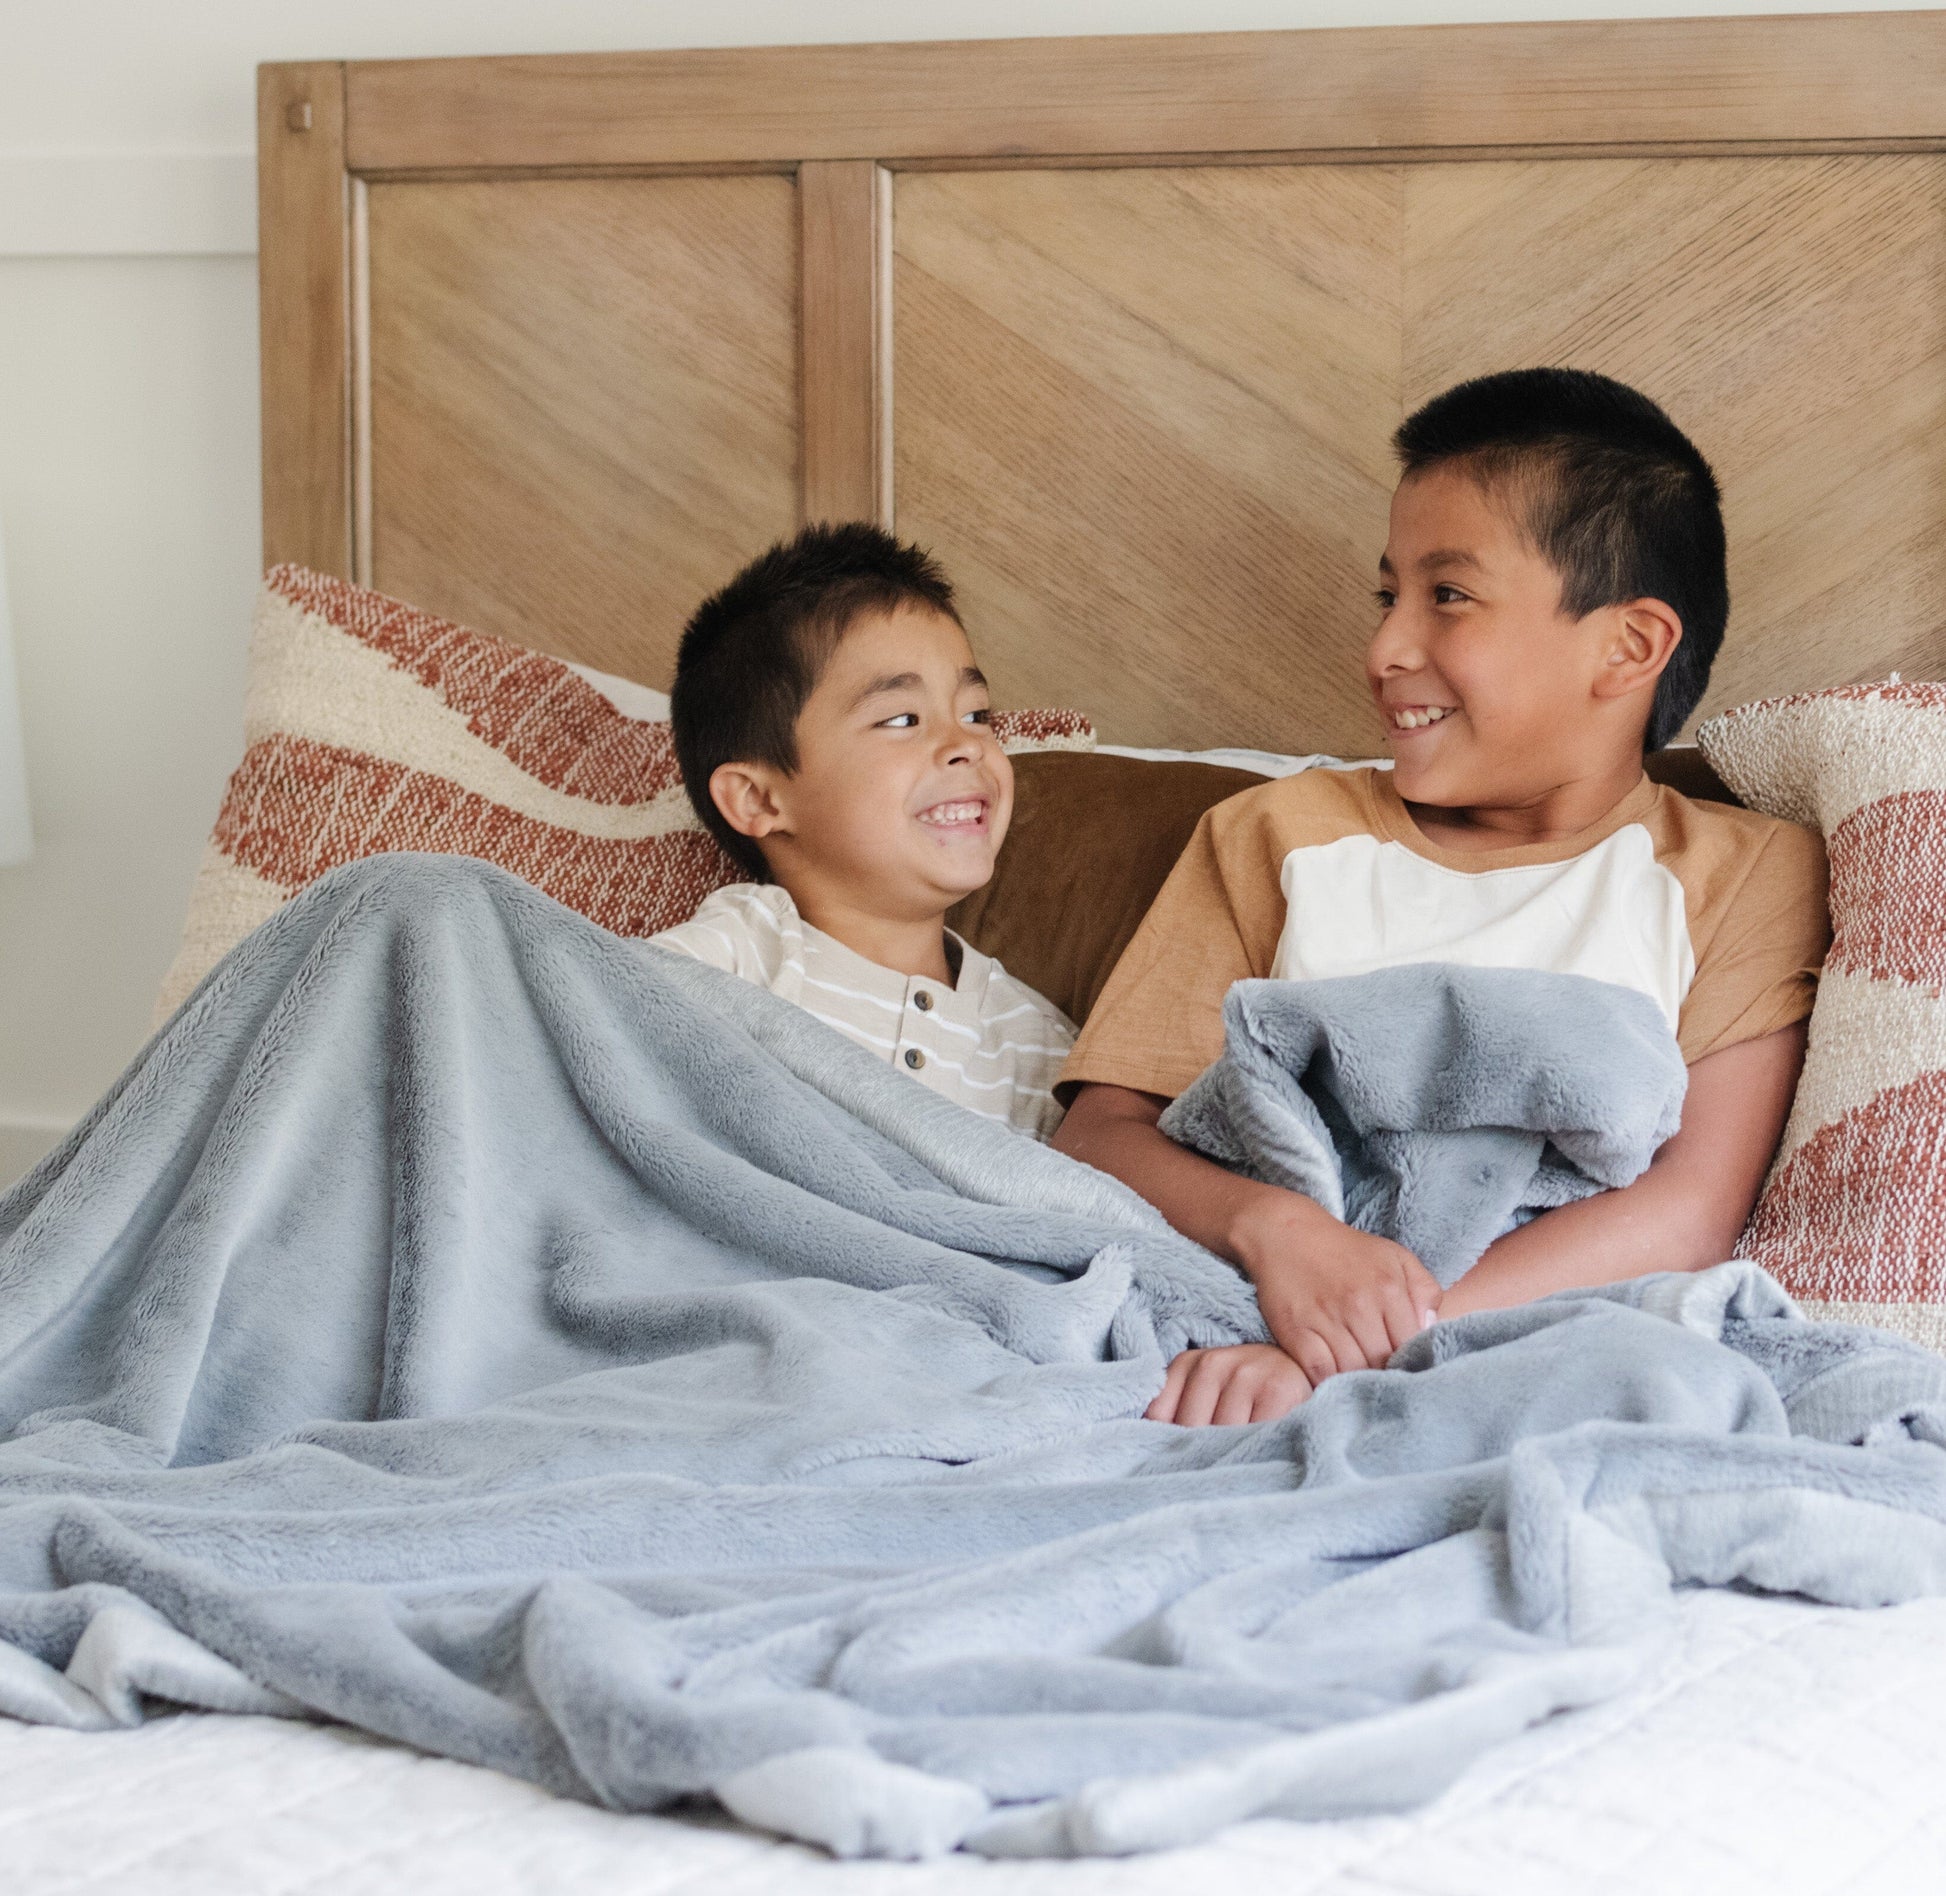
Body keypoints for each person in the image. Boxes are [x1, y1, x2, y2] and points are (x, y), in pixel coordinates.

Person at [1053, 368, 1830, 1425]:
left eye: (1447, 596)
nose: (1384, 650)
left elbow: (1685, 1211)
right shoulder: (1275, 835)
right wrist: (1282, 1237)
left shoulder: (1742, 873)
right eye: (1388, 596)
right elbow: (1099, 1135)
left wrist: (1361, 1352)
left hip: (1509, 1365)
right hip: (1251, 1326)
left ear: (1627, 646)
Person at [653, 522, 1075, 1139]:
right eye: (903, 718)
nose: (965, 745)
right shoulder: (739, 957)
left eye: (977, 714)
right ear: (758, 798)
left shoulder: (1039, 1049)